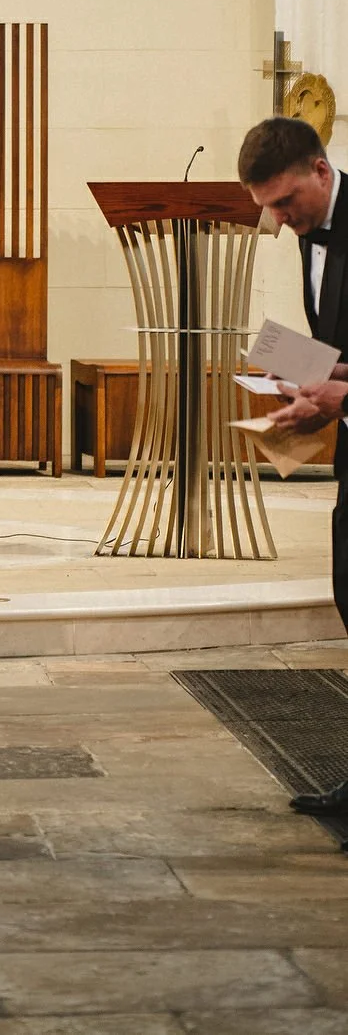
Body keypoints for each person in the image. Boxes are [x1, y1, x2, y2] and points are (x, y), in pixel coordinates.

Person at [239, 116, 348, 830]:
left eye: (284, 203)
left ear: (318, 167)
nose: (277, 223)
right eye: (266, 209)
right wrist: (307, 386)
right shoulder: (312, 237)